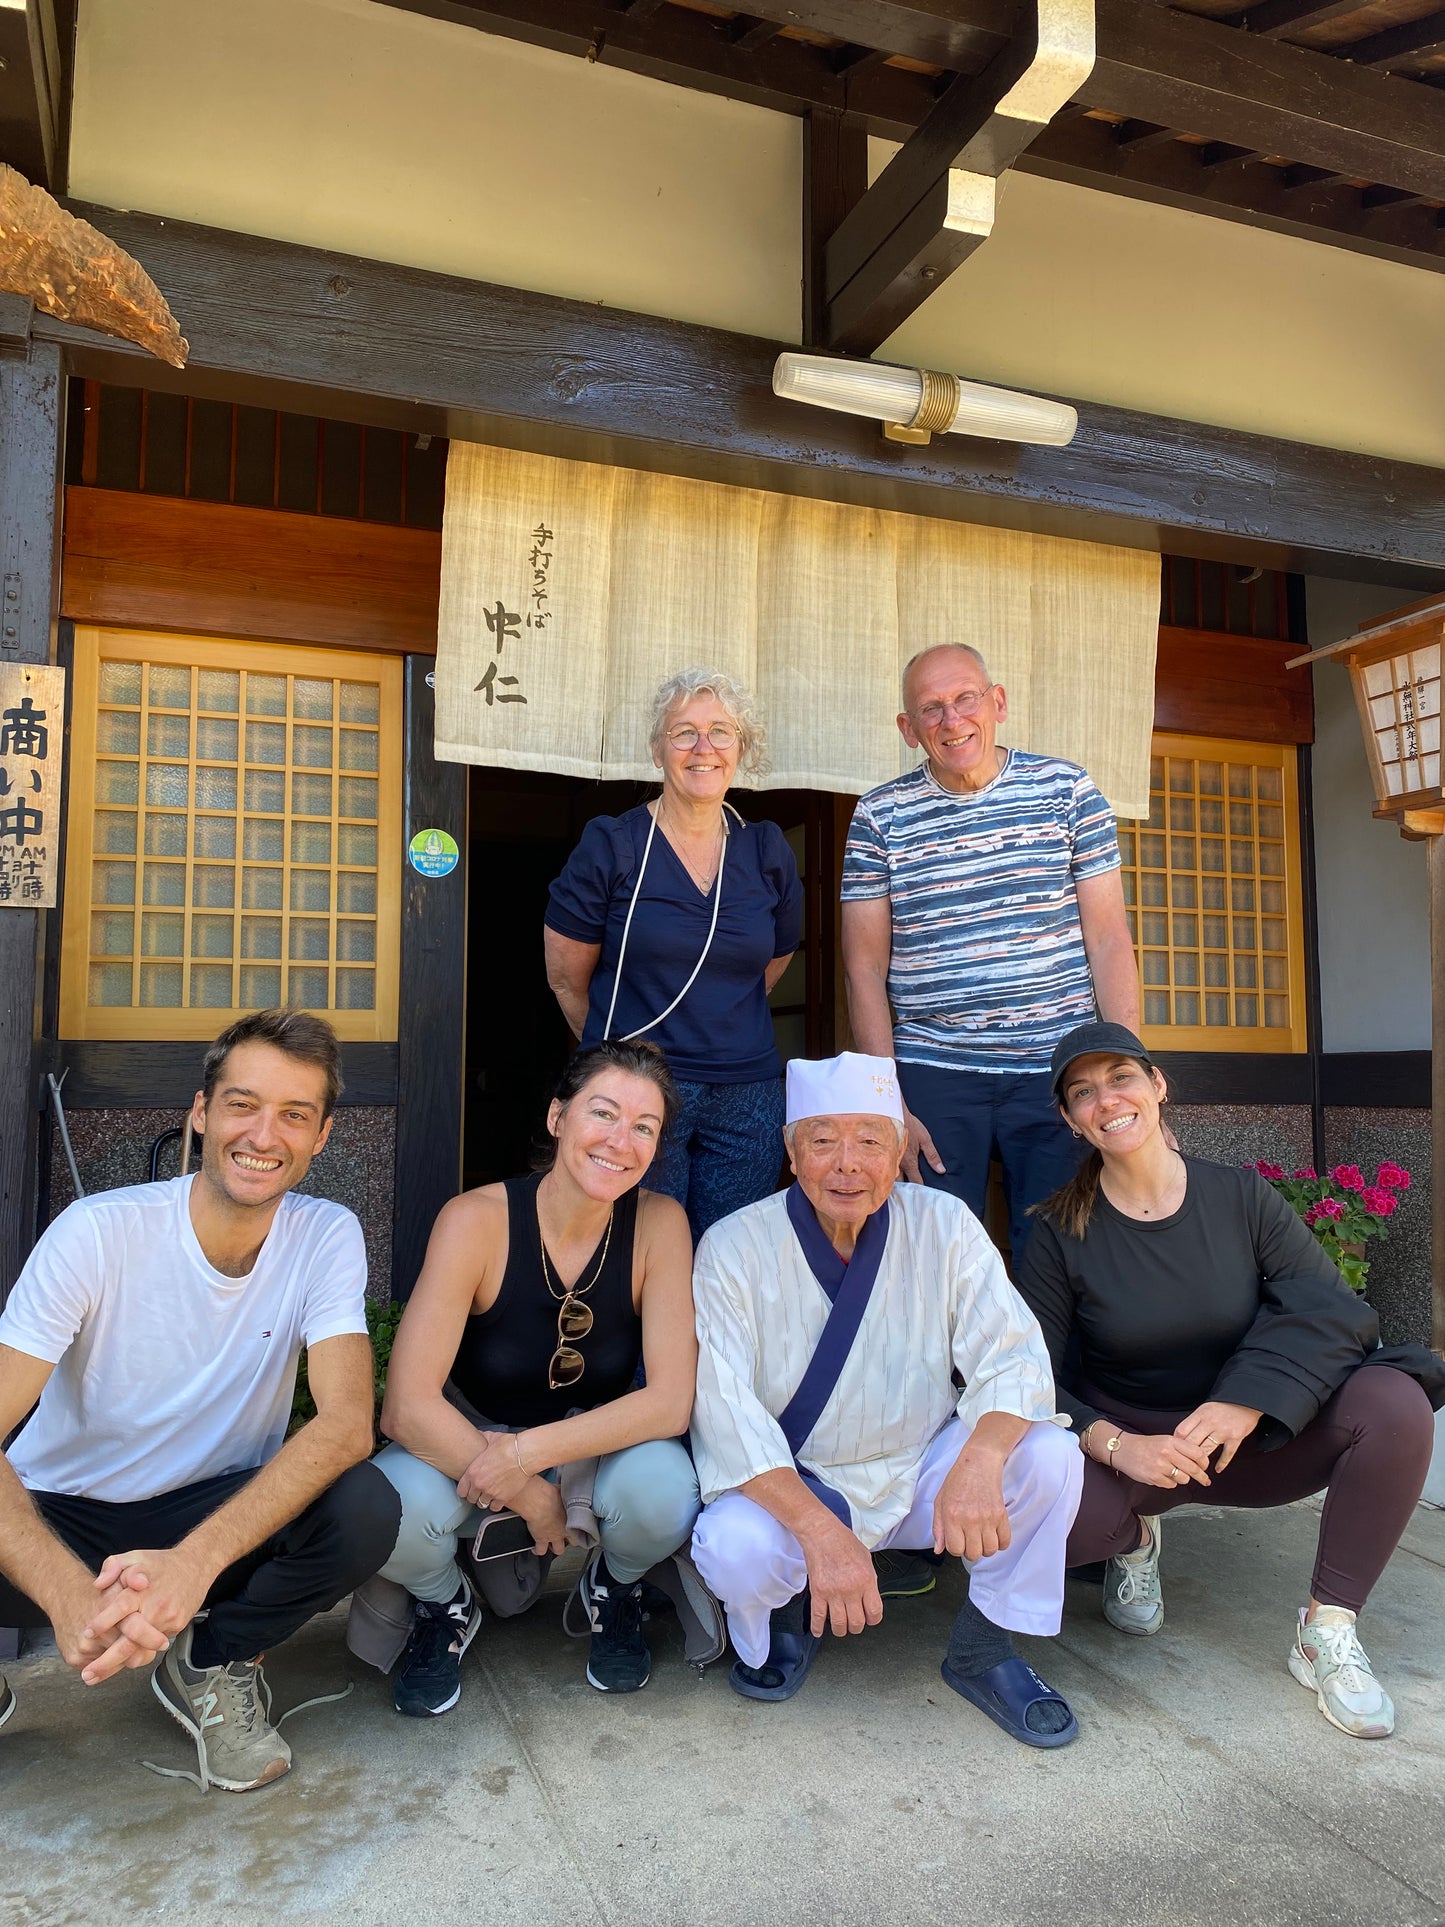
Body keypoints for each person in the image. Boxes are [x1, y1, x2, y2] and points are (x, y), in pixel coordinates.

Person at [0, 1008, 399, 1793]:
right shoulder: (98, 1232)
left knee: (364, 1506)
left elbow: (348, 1424)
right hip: (61, 1509)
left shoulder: (325, 1235)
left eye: (294, 1114)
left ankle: (212, 1661)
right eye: (242, 1104)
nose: (263, 1134)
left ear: (321, 1138)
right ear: (200, 1112)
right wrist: (68, 1594)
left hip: (206, 1513)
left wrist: (193, 1566)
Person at [1016, 1018, 1444, 1741]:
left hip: (1250, 1437)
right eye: (1082, 1091)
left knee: (1393, 1405)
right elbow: (1025, 1376)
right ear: (1069, 1118)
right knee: (1068, 1524)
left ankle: (1325, 1628)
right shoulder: (1058, 1232)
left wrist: (1245, 1399)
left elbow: (1331, 1308)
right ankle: (1133, 1542)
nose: (1106, 1099)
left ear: (1156, 1084)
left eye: (1120, 1076)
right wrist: (1119, 1445)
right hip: (1142, 1450)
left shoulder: (1239, 1197)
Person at [689, 1050, 1084, 1748]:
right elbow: (725, 1413)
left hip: (921, 1470)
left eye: (870, 1140)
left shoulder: (944, 1222)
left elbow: (1011, 1354)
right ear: (789, 1151)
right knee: (731, 1545)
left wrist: (980, 1459)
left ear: (898, 1148)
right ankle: (786, 1618)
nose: (847, 1162)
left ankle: (985, 1649)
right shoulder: (732, 1244)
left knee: (1047, 1454)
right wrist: (819, 1533)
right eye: (822, 1139)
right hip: (799, 1483)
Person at [373, 1038, 701, 1715]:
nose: (620, 1140)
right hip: (470, 1441)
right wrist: (526, 1490)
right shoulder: (475, 1220)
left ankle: (613, 1585)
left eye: (644, 1126)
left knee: (667, 1489)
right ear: (558, 1118)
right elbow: (405, 1406)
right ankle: (445, 1603)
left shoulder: (660, 1223)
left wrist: (530, 1457)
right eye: (603, 1113)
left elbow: (670, 1402)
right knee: (383, 1510)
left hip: (588, 1446)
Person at [841, 643, 1139, 1258]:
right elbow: (863, 966)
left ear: (997, 703)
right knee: (930, 1252)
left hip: (1058, 1067)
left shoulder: (1067, 789)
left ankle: (1054, 1363)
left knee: (1062, 1252)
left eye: (965, 699)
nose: (952, 721)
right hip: (936, 1070)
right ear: (908, 729)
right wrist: (885, 1098)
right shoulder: (879, 816)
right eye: (931, 709)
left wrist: (1121, 1070)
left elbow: (1109, 938)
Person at [544, 667, 802, 1243]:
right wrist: (619, 1055)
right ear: (658, 748)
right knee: (638, 1249)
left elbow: (775, 958)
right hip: (638, 1090)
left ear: (742, 748)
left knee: (731, 1254)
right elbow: (566, 978)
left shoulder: (766, 849)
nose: (703, 748)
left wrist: (717, 1014)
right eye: (683, 732)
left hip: (747, 1093)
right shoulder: (613, 842)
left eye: (720, 732)